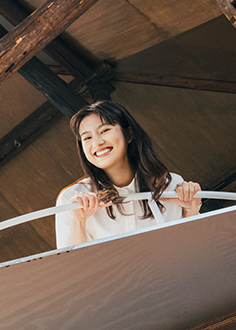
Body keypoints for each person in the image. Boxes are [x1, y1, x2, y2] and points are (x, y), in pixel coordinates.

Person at [55, 101, 201, 248]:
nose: (97, 143)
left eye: (104, 130)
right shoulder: (71, 199)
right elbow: (70, 260)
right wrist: (79, 220)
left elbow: (192, 248)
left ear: (129, 134)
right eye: (87, 138)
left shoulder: (170, 184)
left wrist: (191, 209)